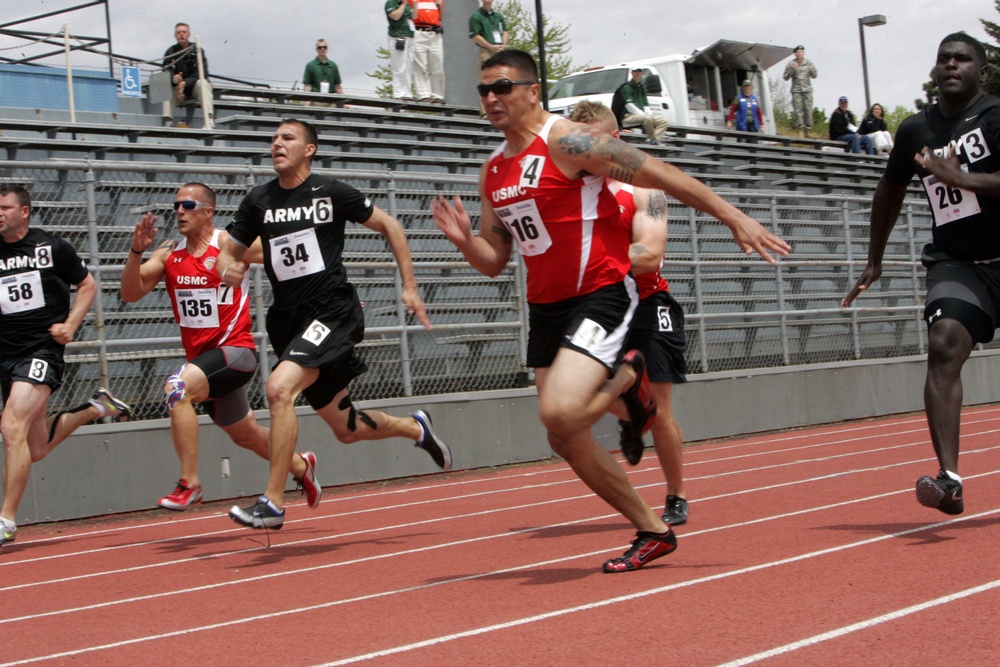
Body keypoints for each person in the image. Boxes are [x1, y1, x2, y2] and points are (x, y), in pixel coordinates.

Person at [433, 50, 788, 571]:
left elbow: (660, 174)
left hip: (600, 292)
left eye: (502, 87)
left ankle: (631, 384)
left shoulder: (569, 141)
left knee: (556, 411)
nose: (491, 99)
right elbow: (494, 261)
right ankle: (652, 527)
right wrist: (465, 241)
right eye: (484, 90)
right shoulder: (493, 169)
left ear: (533, 91)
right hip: (545, 307)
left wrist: (733, 216)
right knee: (562, 435)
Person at [215, 119, 453, 530]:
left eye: (287, 138)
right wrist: (227, 270)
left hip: (331, 312)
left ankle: (272, 502)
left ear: (309, 149)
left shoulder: (330, 193)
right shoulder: (258, 201)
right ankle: (416, 428)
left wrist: (410, 286)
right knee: (346, 428)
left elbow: (390, 226)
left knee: (278, 388)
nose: (276, 143)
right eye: (273, 138)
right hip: (288, 319)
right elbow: (227, 253)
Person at [841, 33, 1000, 516]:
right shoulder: (916, 130)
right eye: (944, 59)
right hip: (959, 264)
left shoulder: (996, 116)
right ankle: (949, 479)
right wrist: (874, 259)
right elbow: (888, 191)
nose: (951, 65)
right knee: (943, 343)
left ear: (982, 72)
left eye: (962, 59)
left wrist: (961, 178)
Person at [119, 183, 322, 512]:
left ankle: (190, 483)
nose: (179, 212)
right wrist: (135, 252)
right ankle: (302, 466)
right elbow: (130, 293)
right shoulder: (170, 254)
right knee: (245, 435)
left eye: (187, 205)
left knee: (176, 389)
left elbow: (287, 255)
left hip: (236, 352)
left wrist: (330, 294)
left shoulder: (228, 244)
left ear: (207, 212)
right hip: (205, 363)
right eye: (176, 207)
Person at [568, 101, 691, 526]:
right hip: (598, 303)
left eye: (594, 143)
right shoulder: (571, 187)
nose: (586, 153)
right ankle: (631, 409)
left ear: (615, 141)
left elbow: (650, 253)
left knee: (662, 405)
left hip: (648, 301)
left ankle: (676, 494)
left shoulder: (644, 188)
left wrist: (591, 258)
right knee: (571, 395)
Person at [0, 184, 132, 547]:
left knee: (11, 426)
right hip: (5, 356)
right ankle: (96, 407)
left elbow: (87, 284)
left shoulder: (51, 247)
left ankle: (6, 521)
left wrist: (71, 325)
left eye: (5, 207)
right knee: (35, 448)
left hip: (41, 351)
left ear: (24, 211)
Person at [161, 22, 213, 128]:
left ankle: (209, 120)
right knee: (164, 83)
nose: (181, 34)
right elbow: (166, 69)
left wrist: (184, 83)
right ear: (175, 35)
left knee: (203, 83)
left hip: (193, 88)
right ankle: (168, 121)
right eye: (179, 32)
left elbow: (202, 73)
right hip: (176, 91)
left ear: (188, 34)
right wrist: (174, 79)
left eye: (184, 32)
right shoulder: (170, 51)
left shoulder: (197, 50)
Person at [469, 0, 508, 117]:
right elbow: (475, 36)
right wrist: (490, 46)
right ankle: (485, 112)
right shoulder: (476, 16)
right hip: (486, 51)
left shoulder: (498, 16)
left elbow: (505, 32)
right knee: (485, 81)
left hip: (499, 51)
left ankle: (502, 109)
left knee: (501, 80)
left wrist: (503, 45)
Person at [409, 0, 445, 104]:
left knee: (437, 65)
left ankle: (438, 95)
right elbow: (411, 15)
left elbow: (440, 15)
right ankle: (423, 94)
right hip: (419, 31)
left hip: (434, 32)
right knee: (420, 65)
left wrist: (440, 6)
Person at [620, 67, 668, 143]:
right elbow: (629, 106)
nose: (637, 73)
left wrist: (650, 115)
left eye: (639, 71)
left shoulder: (642, 87)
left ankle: (653, 139)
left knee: (664, 121)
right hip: (627, 116)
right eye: (635, 71)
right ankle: (654, 140)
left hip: (641, 116)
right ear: (632, 73)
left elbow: (646, 105)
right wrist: (646, 115)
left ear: (642, 73)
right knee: (647, 119)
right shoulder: (627, 87)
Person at [783, 45, 818, 137]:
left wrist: (811, 70)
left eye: (801, 51)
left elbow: (815, 75)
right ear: (795, 54)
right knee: (798, 110)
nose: (799, 53)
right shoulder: (791, 64)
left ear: (804, 53)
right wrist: (792, 70)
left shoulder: (808, 63)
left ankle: (808, 130)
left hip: (807, 90)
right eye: (798, 52)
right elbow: (785, 77)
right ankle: (800, 130)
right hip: (796, 90)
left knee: (808, 109)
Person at [385, 0, 414, 101]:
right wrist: (404, 4)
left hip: (410, 36)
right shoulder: (391, 3)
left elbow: (414, 17)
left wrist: (416, 5)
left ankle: (407, 93)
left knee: (409, 66)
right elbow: (395, 16)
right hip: (397, 37)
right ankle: (398, 93)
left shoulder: (407, 4)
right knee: (399, 66)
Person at [302, 39, 343, 107]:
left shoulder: (333, 65)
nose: (322, 49)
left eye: (324, 47)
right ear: (316, 49)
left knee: (334, 115)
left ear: (327, 49)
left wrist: (344, 103)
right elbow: (307, 85)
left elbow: (337, 85)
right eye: (320, 47)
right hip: (316, 99)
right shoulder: (310, 65)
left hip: (331, 100)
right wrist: (306, 102)